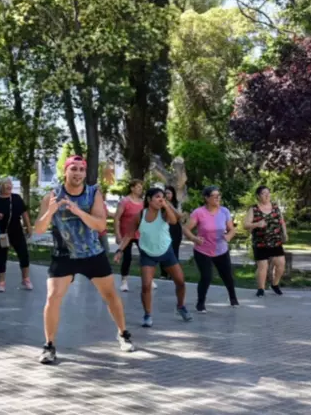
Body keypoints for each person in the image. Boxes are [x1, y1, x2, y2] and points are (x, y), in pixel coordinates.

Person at [34, 156, 134, 364]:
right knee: (52, 297)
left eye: (81, 169)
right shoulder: (52, 196)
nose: (78, 173)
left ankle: (123, 334)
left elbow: (100, 225)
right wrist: (50, 212)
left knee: (110, 294)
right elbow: (39, 229)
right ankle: (49, 346)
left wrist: (78, 211)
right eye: (74, 169)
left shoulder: (93, 193)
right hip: (64, 255)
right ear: (65, 171)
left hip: (92, 253)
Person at [115, 187, 194, 327]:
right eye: (157, 197)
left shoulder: (164, 213)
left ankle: (181, 306)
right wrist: (119, 250)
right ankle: (147, 315)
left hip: (166, 251)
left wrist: (166, 206)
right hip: (147, 253)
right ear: (149, 199)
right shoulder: (139, 215)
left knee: (180, 282)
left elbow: (173, 221)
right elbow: (129, 235)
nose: (161, 199)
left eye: (163, 197)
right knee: (146, 286)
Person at [183, 186, 239, 311]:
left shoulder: (224, 211)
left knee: (227, 276)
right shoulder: (199, 212)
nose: (218, 198)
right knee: (206, 277)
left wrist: (229, 236)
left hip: (221, 249)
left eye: (219, 195)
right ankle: (200, 303)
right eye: (215, 196)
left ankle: (233, 298)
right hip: (203, 250)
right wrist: (194, 238)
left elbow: (232, 229)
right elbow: (186, 229)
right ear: (207, 198)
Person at [0, 178, 33, 292]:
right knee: (1, 257)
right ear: (1, 186)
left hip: (17, 232)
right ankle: (1, 282)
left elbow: (24, 213)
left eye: (10, 184)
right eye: (6, 184)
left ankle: (26, 279)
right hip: (1, 234)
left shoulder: (16, 198)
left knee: (24, 255)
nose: (9, 186)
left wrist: (29, 227)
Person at [243, 186, 288, 297]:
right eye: (264, 193)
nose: (267, 195)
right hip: (260, 242)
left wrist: (285, 233)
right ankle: (261, 289)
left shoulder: (275, 207)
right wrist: (257, 224)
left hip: (275, 241)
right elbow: (246, 225)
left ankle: (275, 284)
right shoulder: (254, 209)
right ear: (258, 196)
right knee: (263, 266)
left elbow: (282, 221)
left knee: (281, 264)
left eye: (268, 193)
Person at [115, 179, 153, 292]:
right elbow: (117, 218)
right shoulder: (125, 201)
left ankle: (148, 279)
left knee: (146, 255)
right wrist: (117, 234)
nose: (140, 189)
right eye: (138, 187)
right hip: (126, 234)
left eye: (141, 188)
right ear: (132, 188)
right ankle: (124, 281)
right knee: (127, 257)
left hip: (139, 234)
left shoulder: (142, 202)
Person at [159, 186, 185, 280]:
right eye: (165, 193)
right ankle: (164, 273)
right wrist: (165, 207)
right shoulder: (160, 204)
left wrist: (170, 206)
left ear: (173, 194)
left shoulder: (177, 204)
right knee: (163, 250)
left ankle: (173, 273)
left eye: (169, 193)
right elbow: (161, 218)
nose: (167, 195)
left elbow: (179, 216)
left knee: (174, 251)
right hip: (164, 228)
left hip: (175, 229)